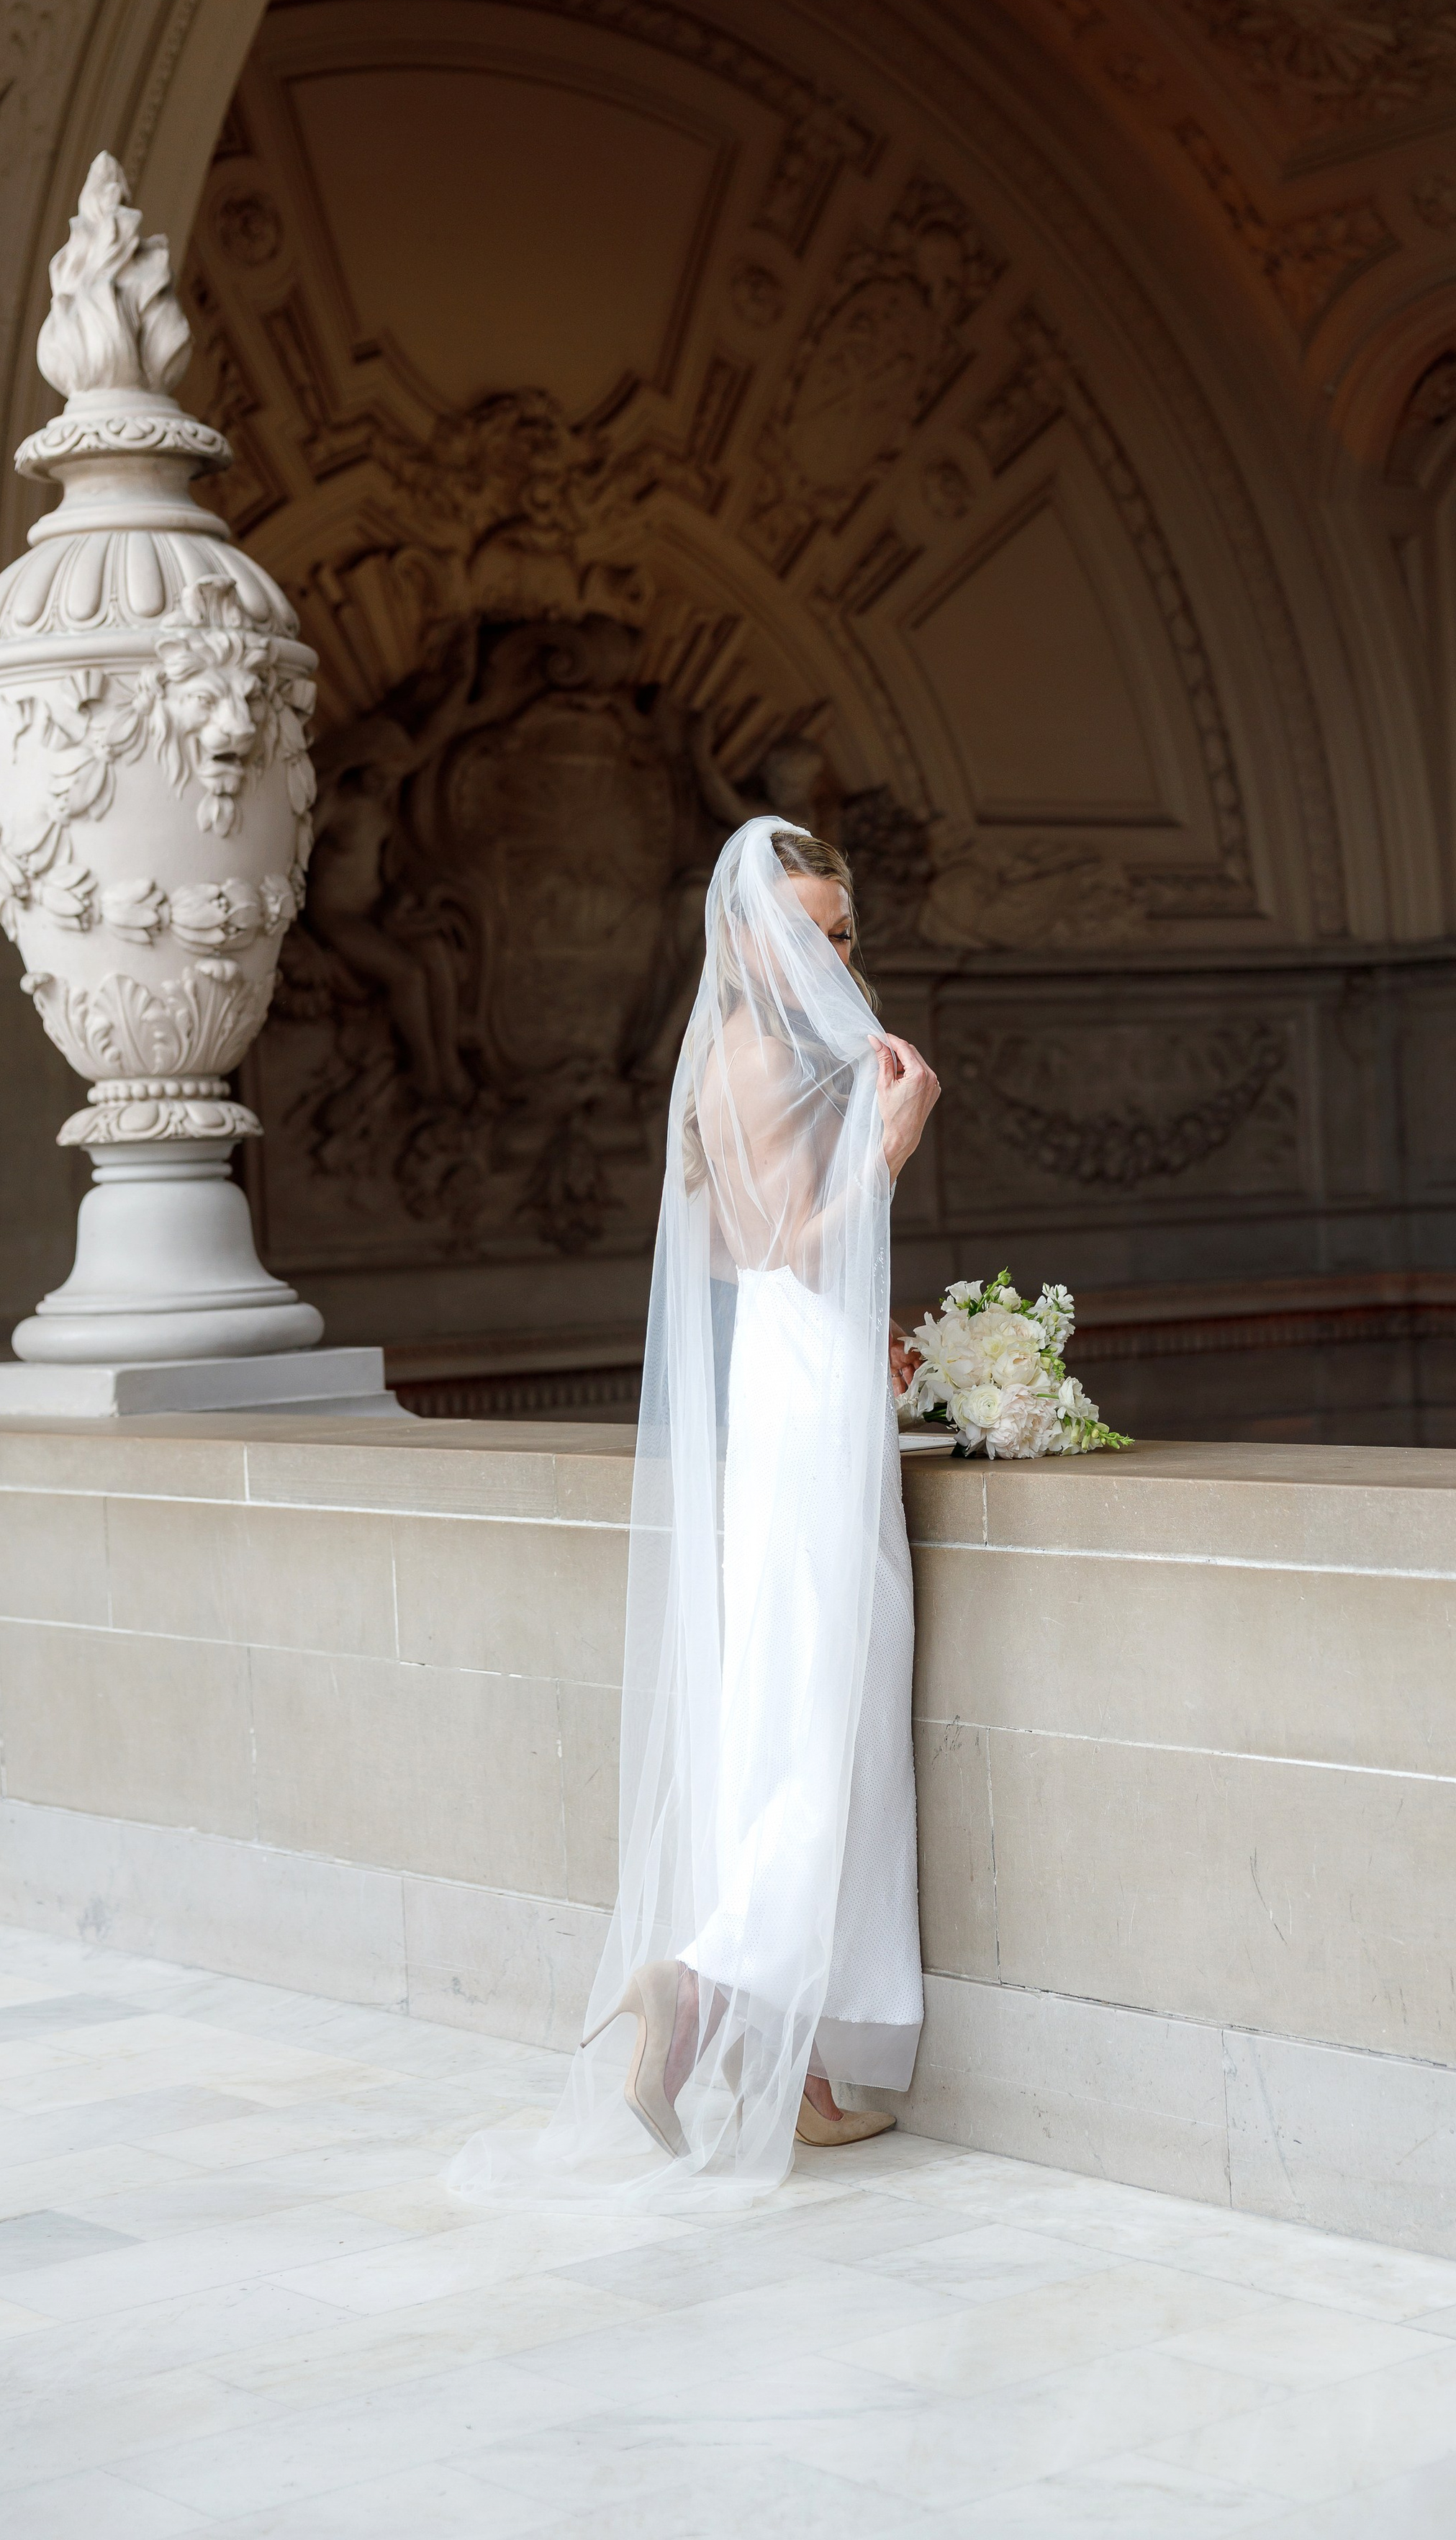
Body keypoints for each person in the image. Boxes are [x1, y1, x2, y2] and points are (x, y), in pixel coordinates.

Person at [450, 814, 939, 2202]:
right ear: (746, 938)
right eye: (807, 929)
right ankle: (713, 1987)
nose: (836, 952)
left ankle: (811, 2066)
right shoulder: (752, 1055)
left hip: (804, 1384)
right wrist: (897, 1134)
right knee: (821, 1709)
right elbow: (796, 1239)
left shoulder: (765, 1056)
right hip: (799, 1401)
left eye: (843, 929)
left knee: (811, 1701)